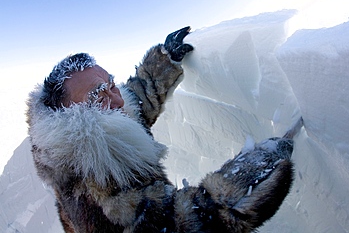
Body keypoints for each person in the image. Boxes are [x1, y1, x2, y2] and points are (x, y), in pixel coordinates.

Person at [27, 27, 299, 233]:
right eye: (99, 93)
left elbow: (134, 102)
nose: (117, 98)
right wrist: (250, 171)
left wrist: (163, 61)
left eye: (110, 83)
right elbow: (182, 223)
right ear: (72, 119)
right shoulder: (98, 187)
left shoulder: (89, 125)